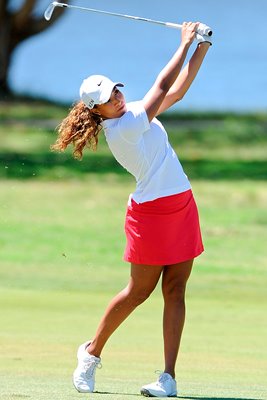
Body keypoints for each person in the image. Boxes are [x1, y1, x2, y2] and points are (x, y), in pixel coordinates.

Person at [51, 21, 211, 398]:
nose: (118, 97)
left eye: (116, 89)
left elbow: (177, 91)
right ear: (96, 110)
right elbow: (160, 84)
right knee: (139, 291)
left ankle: (168, 378)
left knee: (175, 290)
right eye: (108, 97)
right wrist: (184, 43)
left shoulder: (134, 113)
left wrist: (203, 46)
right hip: (150, 215)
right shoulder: (122, 129)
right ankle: (90, 353)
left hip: (182, 204)